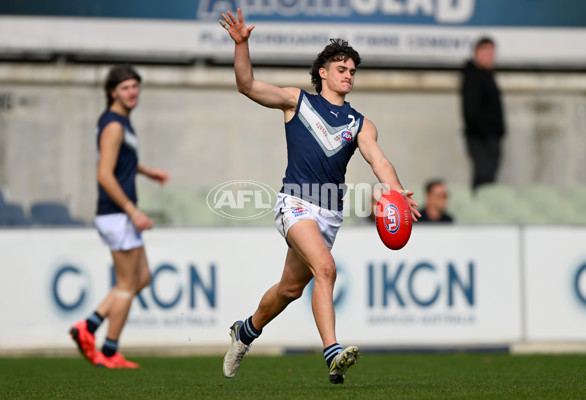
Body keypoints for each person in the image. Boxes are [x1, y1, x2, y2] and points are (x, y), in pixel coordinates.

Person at [218, 9, 420, 384]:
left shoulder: (360, 123)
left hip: (329, 214)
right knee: (326, 269)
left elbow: (380, 161)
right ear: (323, 72)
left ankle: (244, 332)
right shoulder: (298, 101)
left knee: (290, 289)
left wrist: (397, 194)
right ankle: (333, 352)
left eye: (353, 71)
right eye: (341, 68)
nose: (348, 74)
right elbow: (246, 85)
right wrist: (242, 45)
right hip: (294, 203)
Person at [69, 65, 169, 368]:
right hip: (116, 214)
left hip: (118, 214)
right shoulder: (114, 124)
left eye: (135, 86)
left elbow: (118, 160)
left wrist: (145, 170)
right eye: (126, 88)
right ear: (113, 92)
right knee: (127, 284)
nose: (132, 92)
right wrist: (133, 211)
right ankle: (109, 352)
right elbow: (104, 174)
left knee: (142, 278)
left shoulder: (119, 121)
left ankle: (89, 325)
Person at [460, 37, 505, 190]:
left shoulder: (487, 76)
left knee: (489, 179)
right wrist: (487, 133)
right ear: (476, 53)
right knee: (483, 179)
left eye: (491, 53)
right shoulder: (473, 77)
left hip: (490, 138)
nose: (489, 57)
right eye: (486, 53)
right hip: (481, 139)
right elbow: (472, 112)